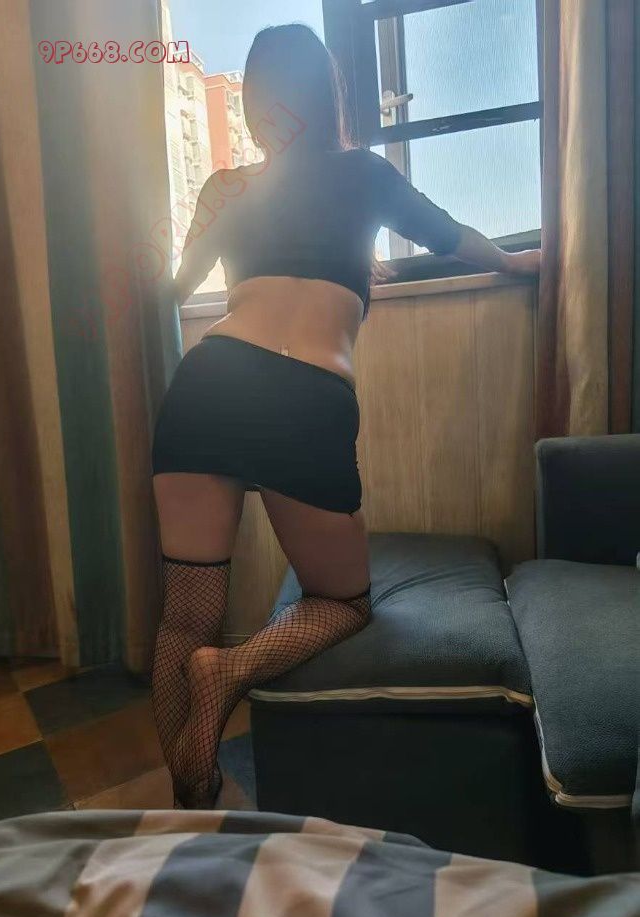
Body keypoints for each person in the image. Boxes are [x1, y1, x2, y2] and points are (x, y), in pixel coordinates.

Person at [150, 23, 541, 808]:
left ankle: (189, 794)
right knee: (344, 603)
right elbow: (451, 236)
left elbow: (178, 286)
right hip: (302, 394)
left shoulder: (227, 186)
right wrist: (515, 260)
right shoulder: (363, 173)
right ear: (328, 94)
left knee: (185, 617)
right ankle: (230, 669)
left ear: (258, 104)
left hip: (207, 382)